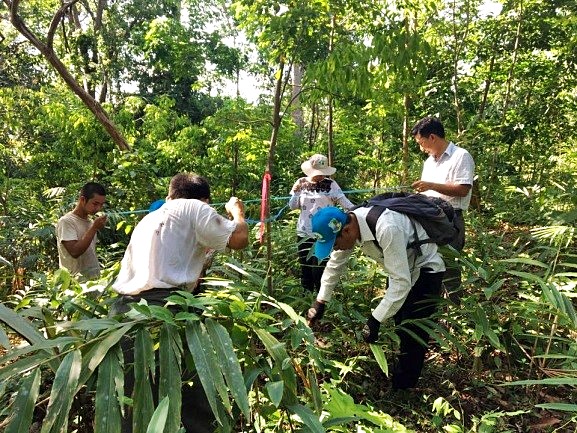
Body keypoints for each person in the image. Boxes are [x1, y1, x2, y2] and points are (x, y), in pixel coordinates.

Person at [111, 173, 249, 433]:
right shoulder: (195, 207)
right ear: (205, 200)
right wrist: (237, 213)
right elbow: (239, 239)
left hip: (124, 309)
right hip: (165, 307)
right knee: (197, 380)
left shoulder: (151, 218)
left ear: (169, 195)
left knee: (135, 392)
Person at [306, 206, 445, 390]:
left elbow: (401, 283)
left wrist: (375, 319)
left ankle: (404, 389)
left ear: (346, 230)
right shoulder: (350, 225)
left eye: (334, 244)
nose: (335, 249)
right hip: (401, 268)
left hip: (426, 269)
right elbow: (335, 264)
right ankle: (401, 371)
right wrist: (321, 301)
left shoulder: (387, 227)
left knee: (412, 329)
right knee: (400, 322)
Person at [410, 117, 475, 300]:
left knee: (449, 268)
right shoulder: (429, 162)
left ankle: (454, 313)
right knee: (430, 265)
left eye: (422, 143)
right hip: (428, 218)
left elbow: (463, 189)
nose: (422, 148)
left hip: (450, 218)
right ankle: (434, 313)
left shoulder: (460, 156)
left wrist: (431, 185)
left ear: (432, 137)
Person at [289, 154, 353, 292]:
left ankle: (320, 298)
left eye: (322, 173)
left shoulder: (331, 184)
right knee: (305, 268)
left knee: (320, 269)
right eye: (317, 173)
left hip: (325, 234)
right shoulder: (301, 182)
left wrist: (357, 210)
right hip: (304, 232)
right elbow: (293, 206)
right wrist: (295, 192)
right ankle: (306, 296)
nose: (320, 176)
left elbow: (343, 201)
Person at [56, 182, 107, 280]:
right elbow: (75, 252)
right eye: (95, 204)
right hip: (75, 285)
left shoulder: (91, 222)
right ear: (83, 200)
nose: (98, 208)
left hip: (93, 282)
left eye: (101, 205)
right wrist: (94, 228)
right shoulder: (66, 221)